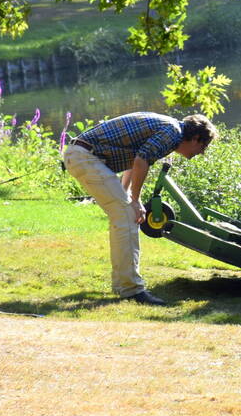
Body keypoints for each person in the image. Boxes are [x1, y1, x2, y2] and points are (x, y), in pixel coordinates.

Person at [63, 112, 217, 306]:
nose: (201, 153)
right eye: (203, 146)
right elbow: (140, 161)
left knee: (125, 216)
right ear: (195, 138)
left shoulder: (171, 130)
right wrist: (135, 201)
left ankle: (124, 286)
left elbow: (134, 160)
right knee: (126, 217)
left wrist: (129, 195)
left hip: (82, 156)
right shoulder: (172, 133)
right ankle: (131, 290)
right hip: (86, 157)